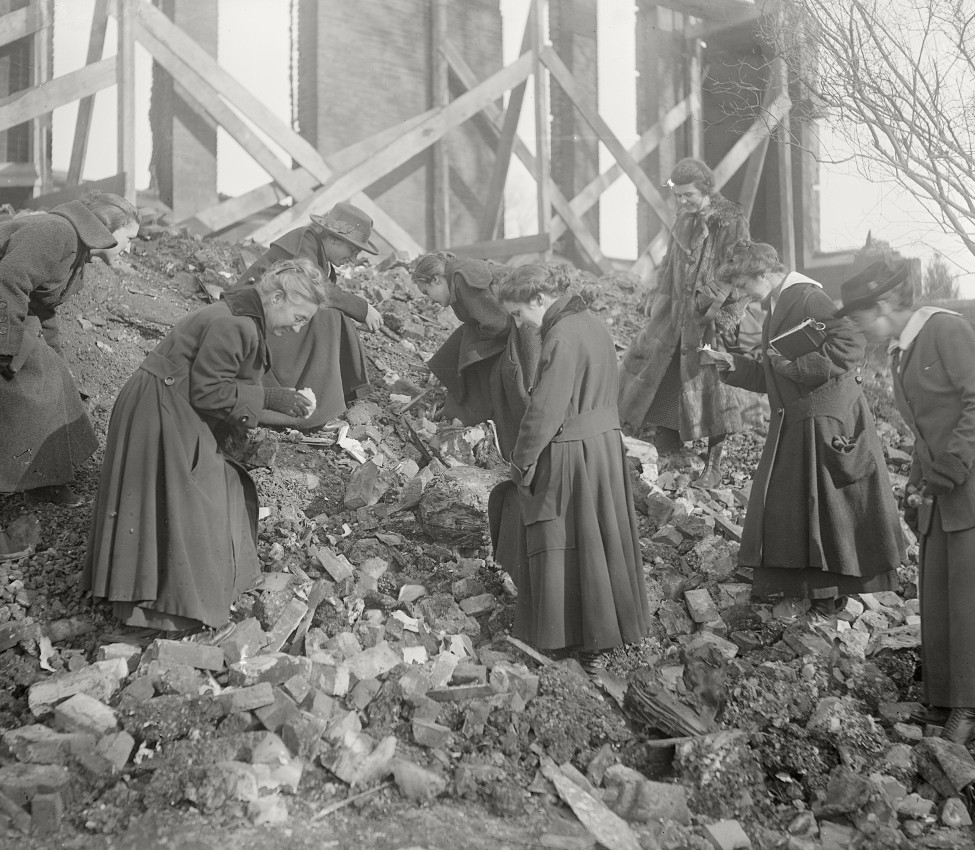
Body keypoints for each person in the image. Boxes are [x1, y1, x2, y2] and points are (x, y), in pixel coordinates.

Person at [85, 258, 328, 632]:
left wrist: (268, 399)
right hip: (161, 409)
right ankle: (161, 610)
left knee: (181, 498)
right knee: (187, 500)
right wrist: (272, 399)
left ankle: (158, 594)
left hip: (169, 403)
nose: (297, 328)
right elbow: (210, 391)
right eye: (298, 317)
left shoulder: (241, 317)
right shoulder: (235, 324)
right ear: (277, 297)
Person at [703, 242, 903, 615]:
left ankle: (828, 598)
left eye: (746, 284)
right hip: (801, 418)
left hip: (826, 420)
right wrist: (730, 364)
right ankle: (815, 592)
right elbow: (774, 374)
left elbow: (851, 343)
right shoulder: (779, 303)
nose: (743, 294)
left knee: (825, 510)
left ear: (764, 273)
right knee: (806, 508)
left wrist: (797, 369)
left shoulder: (808, 298)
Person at [837, 260, 975, 745]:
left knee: (967, 598)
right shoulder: (902, 350)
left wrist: (953, 466)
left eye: (858, 319)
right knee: (938, 595)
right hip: (940, 489)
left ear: (882, 307)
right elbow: (922, 431)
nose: (856, 329)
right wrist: (916, 486)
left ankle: (968, 707)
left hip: (967, 485)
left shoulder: (946, 330)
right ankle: (942, 697)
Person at [498, 264, 650, 675]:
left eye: (517, 313)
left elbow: (545, 410)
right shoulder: (592, 323)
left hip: (572, 450)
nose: (518, 323)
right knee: (601, 539)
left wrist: (522, 461)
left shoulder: (560, 338)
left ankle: (577, 642)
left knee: (562, 536)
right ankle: (607, 634)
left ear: (539, 299)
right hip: (603, 446)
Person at [618, 157, 765, 488]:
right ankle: (669, 435)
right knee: (664, 366)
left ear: (707, 191)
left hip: (713, 315)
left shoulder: (730, 221)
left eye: (688, 195)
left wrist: (719, 311)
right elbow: (669, 263)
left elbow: (738, 268)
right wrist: (660, 300)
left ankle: (714, 464)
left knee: (715, 389)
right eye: (678, 196)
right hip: (677, 309)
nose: (682, 202)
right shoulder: (683, 219)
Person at [0, 192, 140, 506]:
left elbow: (42, 307)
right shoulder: (56, 232)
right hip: (2, 307)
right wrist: (5, 348)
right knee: (31, 384)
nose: (130, 248)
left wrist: (55, 355)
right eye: (128, 238)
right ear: (105, 228)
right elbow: (8, 280)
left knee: (53, 374)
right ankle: (34, 480)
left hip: (9, 310)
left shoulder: (76, 248)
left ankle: (46, 477)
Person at [235, 202, 383, 430]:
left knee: (336, 317)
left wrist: (352, 316)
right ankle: (312, 404)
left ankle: (323, 398)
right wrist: (362, 308)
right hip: (249, 322)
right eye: (352, 251)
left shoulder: (317, 250)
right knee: (329, 318)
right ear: (335, 239)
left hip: (268, 319)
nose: (353, 259)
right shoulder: (304, 241)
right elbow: (317, 289)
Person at [412, 252, 540, 459]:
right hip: (518, 325)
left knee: (508, 381)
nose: (430, 299)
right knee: (465, 353)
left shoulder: (464, 281)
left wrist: (468, 352)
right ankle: (465, 418)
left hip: (526, 329)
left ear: (437, 279)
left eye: (427, 292)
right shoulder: (458, 278)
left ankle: (517, 444)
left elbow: (497, 323)